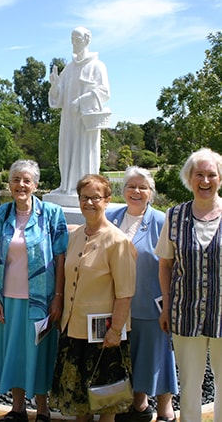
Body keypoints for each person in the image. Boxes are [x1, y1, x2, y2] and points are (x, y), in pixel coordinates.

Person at [50, 174, 136, 422]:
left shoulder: (118, 241)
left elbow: (125, 292)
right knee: (79, 400)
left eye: (95, 197)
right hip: (74, 329)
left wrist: (115, 330)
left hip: (104, 335)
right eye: (84, 197)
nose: (89, 203)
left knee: (105, 400)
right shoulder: (75, 236)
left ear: (107, 200)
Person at [0, 160, 68, 422]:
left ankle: (43, 410)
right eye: (15, 180)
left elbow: (60, 259)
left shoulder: (52, 214)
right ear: (9, 184)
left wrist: (57, 297)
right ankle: (18, 409)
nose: (20, 185)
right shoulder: (1, 215)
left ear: (35, 185)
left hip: (42, 301)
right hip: (9, 299)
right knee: (14, 352)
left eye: (26, 180)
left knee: (40, 353)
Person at [106, 167, 178, 422]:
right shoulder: (110, 216)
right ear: (123, 190)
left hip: (151, 305)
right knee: (129, 358)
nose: (136, 191)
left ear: (151, 193)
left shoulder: (163, 220)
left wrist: (169, 305)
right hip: (116, 307)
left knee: (157, 357)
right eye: (131, 186)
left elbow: (173, 265)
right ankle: (138, 406)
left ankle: (165, 411)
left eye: (142, 187)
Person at [156, 148, 222, 422]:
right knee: (190, 387)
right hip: (185, 313)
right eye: (199, 175)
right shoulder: (174, 215)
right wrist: (166, 306)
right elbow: (165, 266)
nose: (205, 181)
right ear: (189, 178)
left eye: (211, 175)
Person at [48, 27, 110, 197]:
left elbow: (104, 91)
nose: (74, 43)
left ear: (87, 40)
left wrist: (82, 101)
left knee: (85, 154)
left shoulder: (97, 65)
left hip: (84, 120)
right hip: (68, 119)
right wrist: (54, 86)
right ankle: (66, 186)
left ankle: (86, 189)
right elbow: (58, 99)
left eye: (78, 39)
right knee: (66, 151)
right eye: (72, 40)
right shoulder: (69, 68)